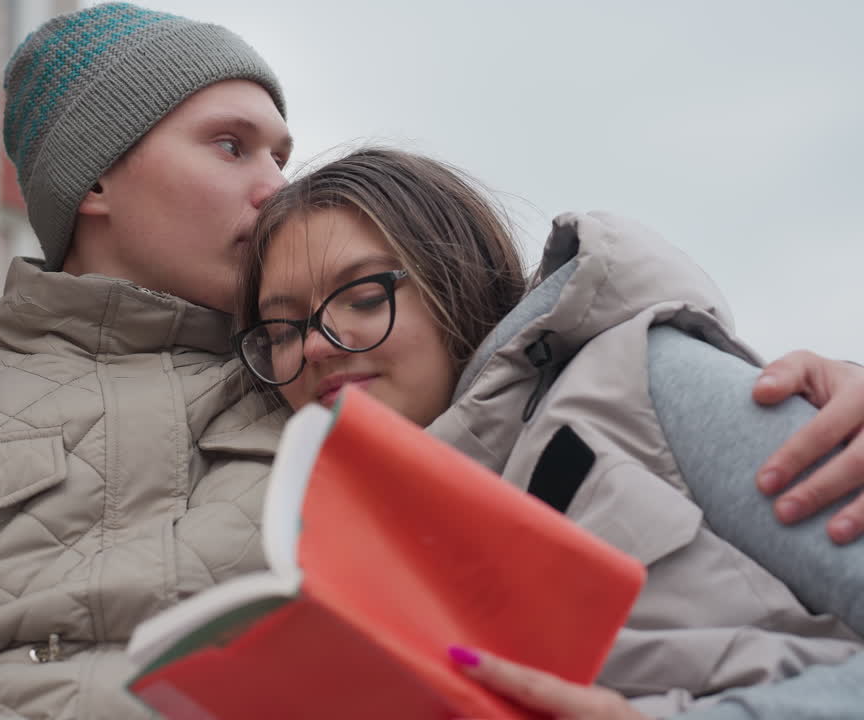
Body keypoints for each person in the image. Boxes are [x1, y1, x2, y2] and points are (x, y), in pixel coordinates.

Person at [0, 4, 864, 719]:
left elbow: (552, 356)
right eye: (228, 145)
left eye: (281, 149)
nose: (272, 183)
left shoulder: (377, 387)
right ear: (93, 182)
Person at [232, 146, 864, 718]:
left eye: (364, 296)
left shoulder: (648, 380)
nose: (315, 345)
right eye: (281, 330)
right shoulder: (337, 554)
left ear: (455, 278)